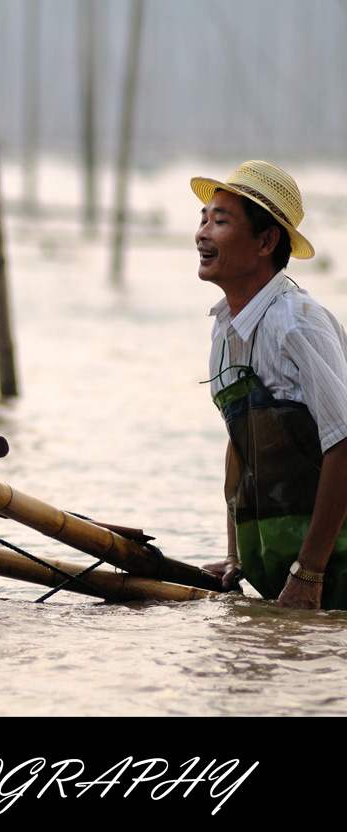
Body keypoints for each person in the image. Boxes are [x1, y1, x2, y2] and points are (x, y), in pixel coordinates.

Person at [192, 160, 347, 610]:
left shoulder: (297, 323)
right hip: (281, 565)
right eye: (203, 219)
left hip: (330, 562)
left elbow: (343, 442)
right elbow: (241, 445)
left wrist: (309, 572)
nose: (203, 232)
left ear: (265, 241)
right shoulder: (225, 329)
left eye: (220, 221)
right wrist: (235, 556)